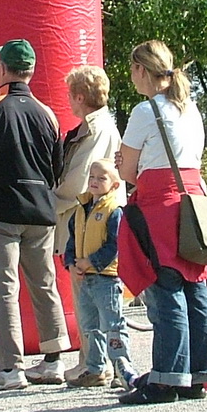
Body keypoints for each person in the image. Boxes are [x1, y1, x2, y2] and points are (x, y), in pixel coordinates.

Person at [115, 39, 207, 404]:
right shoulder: (190, 108)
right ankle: (198, 374)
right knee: (196, 286)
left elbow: (128, 170)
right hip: (194, 200)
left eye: (132, 69)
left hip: (159, 203)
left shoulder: (146, 111)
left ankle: (166, 378)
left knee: (166, 287)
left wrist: (126, 164)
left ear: (142, 70)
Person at [0, 40, 66, 389]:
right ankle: (53, 360)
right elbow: (57, 169)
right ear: (31, 71)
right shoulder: (47, 113)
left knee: (5, 289)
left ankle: (10, 369)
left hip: (0, 209)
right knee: (44, 284)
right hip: (40, 210)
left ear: (3, 69)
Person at [56, 65, 122, 382]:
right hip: (93, 219)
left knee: (87, 296)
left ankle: (93, 364)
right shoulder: (102, 126)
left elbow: (79, 182)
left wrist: (47, 201)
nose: (69, 102)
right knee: (92, 297)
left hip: (88, 221)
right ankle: (94, 362)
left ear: (80, 97)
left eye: (71, 95)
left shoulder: (96, 130)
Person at [62, 159, 135, 388]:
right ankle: (94, 368)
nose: (94, 182)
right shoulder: (80, 209)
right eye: (92, 177)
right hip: (85, 279)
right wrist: (71, 263)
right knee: (88, 325)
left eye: (101, 178)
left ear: (114, 185)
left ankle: (121, 367)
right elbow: (71, 240)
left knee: (113, 324)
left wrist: (91, 262)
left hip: (107, 278)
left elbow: (115, 246)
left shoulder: (114, 211)